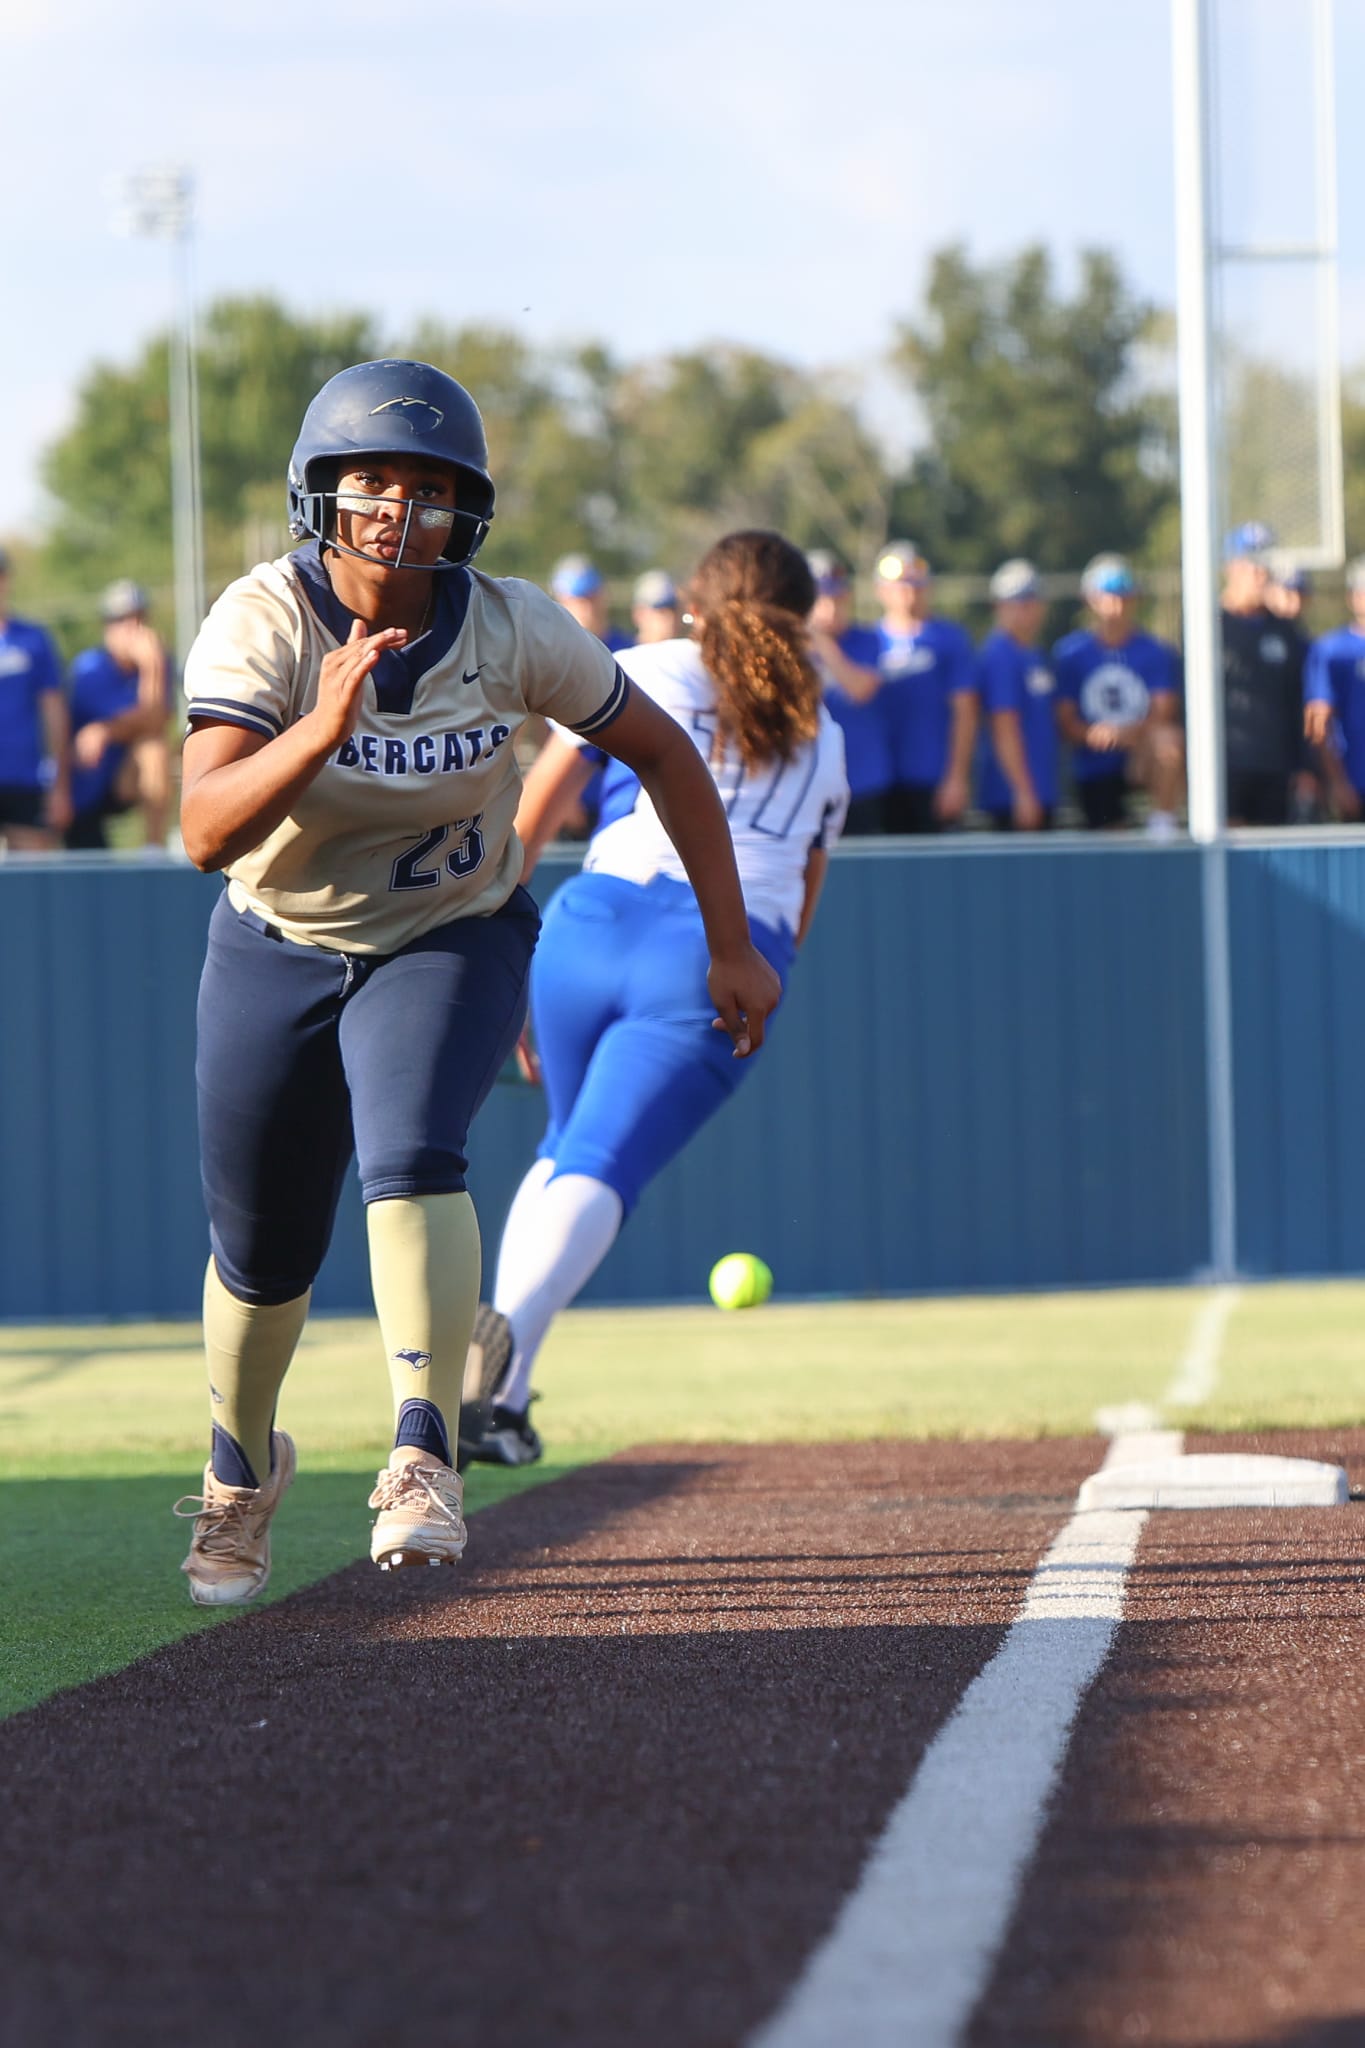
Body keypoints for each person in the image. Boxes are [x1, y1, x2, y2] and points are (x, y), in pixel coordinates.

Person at [172, 359, 780, 1605]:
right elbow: (202, 827)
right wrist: (318, 727)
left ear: (468, 511)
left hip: (452, 924)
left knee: (411, 1152)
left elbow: (661, 750)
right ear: (321, 494)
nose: (400, 509)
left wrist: (733, 941)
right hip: (279, 937)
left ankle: (423, 1449)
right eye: (374, 481)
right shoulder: (263, 619)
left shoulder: (508, 624)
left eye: (431, 487)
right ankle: (241, 1471)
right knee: (260, 1248)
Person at [457, 530, 849, 1470]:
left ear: (692, 605)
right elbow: (801, 896)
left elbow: (538, 805)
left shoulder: (640, 663)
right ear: (806, 617)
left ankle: (499, 1398)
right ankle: (493, 1351)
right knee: (598, 1162)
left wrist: (492, 942)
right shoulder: (824, 729)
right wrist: (760, 969)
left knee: (563, 1154)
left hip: (584, 919)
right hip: (715, 948)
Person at [1052, 554, 1183, 838]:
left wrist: (1127, 735)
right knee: (1109, 841)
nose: (1116, 606)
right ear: (1090, 599)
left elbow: (1163, 710)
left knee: (1168, 742)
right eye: (1108, 597)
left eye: (1124, 597)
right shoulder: (1071, 653)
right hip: (1094, 762)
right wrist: (1094, 734)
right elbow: (1065, 718)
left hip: (1140, 756)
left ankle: (1162, 827)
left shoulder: (1154, 651)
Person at [872, 542, 976, 834]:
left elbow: (965, 713)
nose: (908, 591)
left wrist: (956, 777)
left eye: (915, 583)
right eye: (899, 584)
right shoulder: (868, 642)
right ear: (881, 589)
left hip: (933, 780)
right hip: (881, 783)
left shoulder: (950, 639)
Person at [65, 579, 173, 851]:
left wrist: (152, 668)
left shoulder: (157, 663)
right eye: (122, 620)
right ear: (107, 627)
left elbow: (155, 722)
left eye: (139, 618)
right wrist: (111, 728)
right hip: (82, 791)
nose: (134, 629)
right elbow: (143, 718)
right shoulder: (90, 668)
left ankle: (154, 851)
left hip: (122, 781)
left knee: (154, 749)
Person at [1221, 522, 1308, 827]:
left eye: (1265, 566)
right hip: (1224, 767)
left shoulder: (1284, 630)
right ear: (1230, 567)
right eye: (1251, 565)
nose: (1260, 575)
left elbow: (1296, 700)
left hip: (1274, 767)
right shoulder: (1207, 624)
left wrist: (1304, 767)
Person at [806, 548, 891, 836]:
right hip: (809, 782)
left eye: (837, 598)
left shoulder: (867, 639)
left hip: (863, 781)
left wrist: (820, 640)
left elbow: (860, 689)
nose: (830, 607)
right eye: (821, 598)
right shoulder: (789, 646)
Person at [976, 560, 1058, 831]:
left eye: (1032, 600)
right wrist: (1022, 791)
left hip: (1042, 788)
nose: (1027, 609)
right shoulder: (1000, 655)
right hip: (1012, 797)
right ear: (999, 605)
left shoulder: (1033, 653)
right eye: (1018, 601)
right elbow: (1004, 727)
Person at [0, 546, 70, 851]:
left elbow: (54, 714)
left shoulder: (34, 639)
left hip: (25, 780)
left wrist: (60, 787)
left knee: (32, 881)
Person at [1303, 554, 1365, 821]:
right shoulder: (1331, 650)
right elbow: (1319, 724)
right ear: (1353, 597)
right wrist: (1337, 783)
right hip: (1356, 782)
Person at [550, 552, 632, 653]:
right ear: (561, 602)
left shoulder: (628, 650)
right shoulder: (550, 653)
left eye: (593, 598)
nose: (588, 608)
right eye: (579, 601)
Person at [631, 568, 681, 644]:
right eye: (662, 612)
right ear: (639, 614)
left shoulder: (687, 653)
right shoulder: (617, 654)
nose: (672, 619)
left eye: (674, 610)